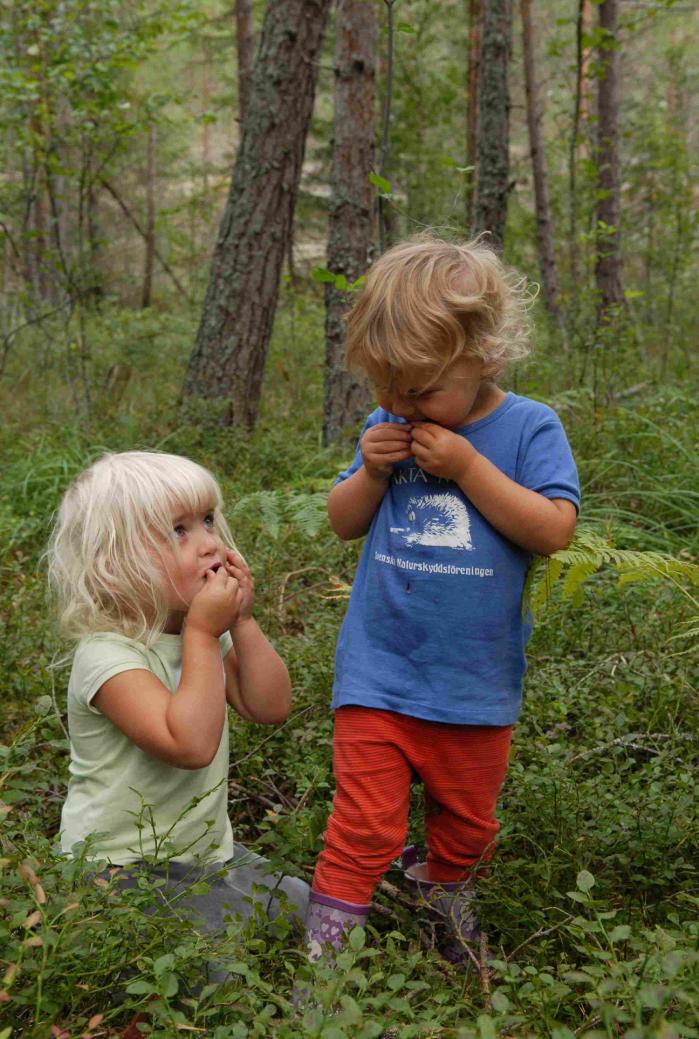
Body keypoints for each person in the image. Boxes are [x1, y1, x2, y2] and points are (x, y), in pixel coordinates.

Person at [304, 234, 580, 963]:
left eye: (420, 390)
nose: (399, 405)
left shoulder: (527, 427)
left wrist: (466, 467)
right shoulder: (384, 427)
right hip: (379, 672)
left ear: (485, 356)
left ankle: (442, 903)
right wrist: (366, 472)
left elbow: (554, 529)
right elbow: (341, 522)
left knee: (466, 822)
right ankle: (327, 965)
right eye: (386, 389)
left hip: (473, 681)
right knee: (362, 823)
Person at [47, 450, 309, 973]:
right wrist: (203, 634)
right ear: (116, 561)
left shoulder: (203, 633)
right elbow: (188, 745)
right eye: (179, 531)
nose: (211, 541)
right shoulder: (109, 654)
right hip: (117, 869)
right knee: (210, 960)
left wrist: (244, 622)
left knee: (303, 903)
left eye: (208, 520)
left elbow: (271, 705)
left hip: (208, 856)